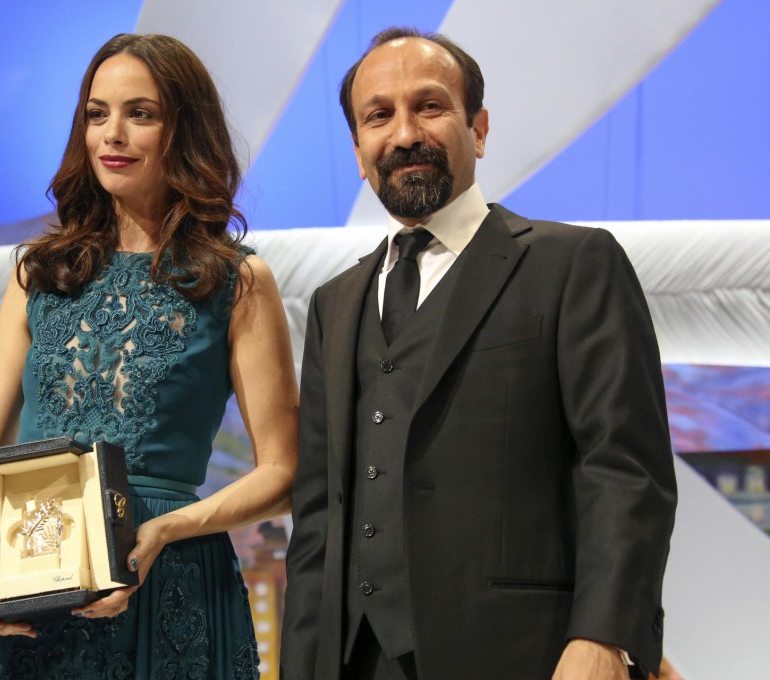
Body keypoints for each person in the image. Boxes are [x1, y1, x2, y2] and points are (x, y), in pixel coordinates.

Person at [282, 26, 676, 680]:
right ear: (358, 151)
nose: (405, 133)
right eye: (379, 116)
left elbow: (626, 468)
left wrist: (604, 636)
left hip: (529, 655)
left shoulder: (573, 264)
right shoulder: (335, 303)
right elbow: (319, 519)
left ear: (480, 129)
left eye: (429, 107)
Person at [0, 33, 298, 679]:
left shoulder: (235, 282)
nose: (113, 135)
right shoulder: (38, 274)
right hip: (23, 586)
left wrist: (164, 530)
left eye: (142, 113)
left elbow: (283, 472)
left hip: (165, 580)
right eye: (96, 114)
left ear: (185, 130)